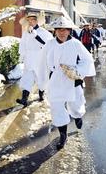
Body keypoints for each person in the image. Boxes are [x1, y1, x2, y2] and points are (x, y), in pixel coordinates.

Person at [39, 16, 96, 150]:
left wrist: (77, 71)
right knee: (57, 107)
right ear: (55, 31)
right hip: (56, 79)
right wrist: (43, 81)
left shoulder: (75, 43)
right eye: (59, 29)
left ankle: (77, 115)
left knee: (76, 104)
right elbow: (42, 63)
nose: (62, 32)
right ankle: (63, 135)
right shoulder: (50, 44)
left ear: (69, 30)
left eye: (65, 30)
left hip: (72, 79)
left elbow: (87, 60)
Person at [16, 12, 53, 107]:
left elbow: (48, 44)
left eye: (32, 20)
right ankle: (24, 99)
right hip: (29, 59)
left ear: (36, 21)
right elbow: (23, 44)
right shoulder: (25, 33)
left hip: (39, 58)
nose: (30, 22)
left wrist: (36, 36)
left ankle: (41, 93)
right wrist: (22, 55)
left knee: (41, 78)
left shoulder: (43, 32)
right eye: (29, 20)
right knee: (27, 78)